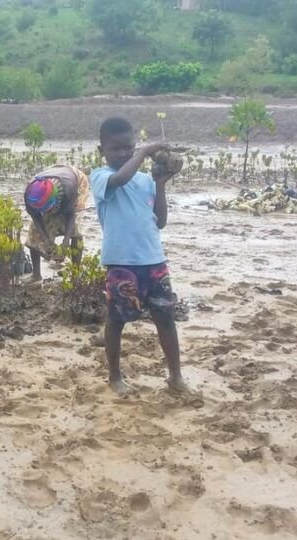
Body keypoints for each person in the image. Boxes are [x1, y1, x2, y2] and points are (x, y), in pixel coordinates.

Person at [90, 117, 188, 395]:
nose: (123, 153)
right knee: (117, 320)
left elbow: (160, 221)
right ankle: (114, 377)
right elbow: (120, 179)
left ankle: (175, 376)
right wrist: (144, 152)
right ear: (102, 151)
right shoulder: (100, 176)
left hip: (154, 260)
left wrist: (160, 183)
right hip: (122, 262)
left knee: (165, 317)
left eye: (128, 148)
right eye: (116, 148)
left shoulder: (145, 180)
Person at [23, 164, 90, 281]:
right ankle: (36, 274)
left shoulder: (69, 190)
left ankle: (75, 275)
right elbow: (36, 218)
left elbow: (71, 215)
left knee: (76, 231)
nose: (46, 212)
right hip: (52, 180)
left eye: (47, 208)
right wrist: (46, 240)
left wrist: (65, 242)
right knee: (33, 232)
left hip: (76, 180)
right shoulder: (30, 194)